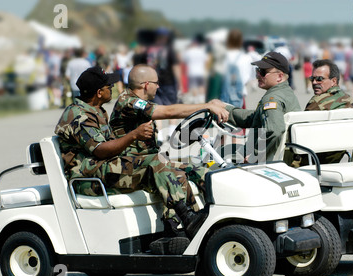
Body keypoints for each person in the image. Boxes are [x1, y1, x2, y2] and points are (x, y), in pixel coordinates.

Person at [55, 66, 227, 254]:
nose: (113, 87)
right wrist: (134, 135)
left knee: (191, 168)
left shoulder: (96, 110)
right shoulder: (81, 114)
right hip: (89, 176)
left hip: (108, 167)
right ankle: (180, 223)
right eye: (108, 85)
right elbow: (101, 151)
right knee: (159, 163)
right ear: (98, 92)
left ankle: (207, 217)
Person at [109, 64, 228, 246]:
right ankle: (180, 224)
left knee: (196, 168)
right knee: (167, 168)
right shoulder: (129, 102)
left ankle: (215, 214)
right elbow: (168, 112)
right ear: (146, 84)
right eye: (156, 83)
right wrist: (207, 106)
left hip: (147, 162)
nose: (159, 87)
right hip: (131, 165)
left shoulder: (138, 102)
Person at [224, 51, 301, 163]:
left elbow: (274, 130)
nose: (258, 75)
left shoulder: (273, 98)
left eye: (263, 72)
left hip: (266, 163)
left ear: (279, 76)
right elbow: (256, 117)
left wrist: (255, 156)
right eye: (257, 70)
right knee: (223, 152)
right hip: (278, 157)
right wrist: (225, 109)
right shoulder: (285, 92)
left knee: (210, 161)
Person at [302, 59, 353, 165]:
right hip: (338, 156)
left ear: (333, 81)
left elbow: (302, 134)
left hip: (316, 159)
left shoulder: (317, 102)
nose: (314, 82)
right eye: (312, 78)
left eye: (320, 79)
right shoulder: (351, 101)